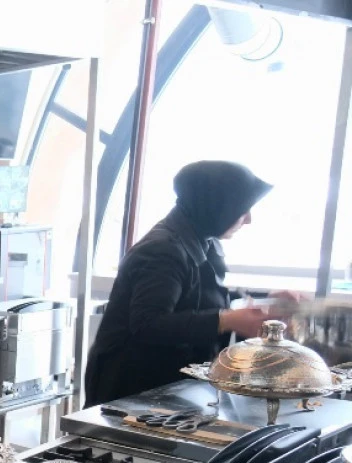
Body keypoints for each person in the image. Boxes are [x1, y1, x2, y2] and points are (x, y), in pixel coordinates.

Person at [85, 160, 279, 406]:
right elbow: (147, 324)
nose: (248, 219)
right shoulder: (163, 250)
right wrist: (225, 320)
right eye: (242, 209)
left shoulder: (203, 240)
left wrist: (268, 300)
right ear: (217, 206)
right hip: (130, 387)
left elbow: (202, 296)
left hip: (164, 384)